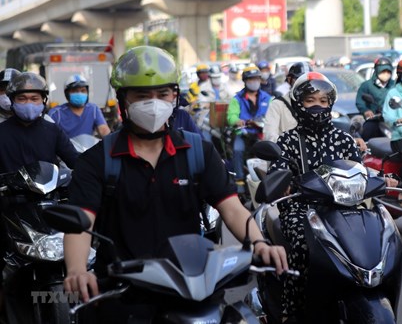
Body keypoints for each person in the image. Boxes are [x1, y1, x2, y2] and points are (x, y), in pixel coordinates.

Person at [63, 46, 287, 312]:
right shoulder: (97, 160)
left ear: (174, 97)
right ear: (123, 99)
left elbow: (232, 208)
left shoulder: (198, 152)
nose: (153, 103)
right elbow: (80, 223)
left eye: (162, 94)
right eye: (142, 95)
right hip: (122, 294)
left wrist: (261, 243)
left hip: (192, 288)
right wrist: (77, 269)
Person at [270, 71, 361, 322]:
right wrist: (283, 182)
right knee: (302, 246)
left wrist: (383, 178)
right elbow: (277, 170)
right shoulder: (288, 140)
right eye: (311, 101)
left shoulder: (344, 138)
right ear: (299, 104)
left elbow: (360, 168)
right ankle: (292, 310)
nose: (317, 106)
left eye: (323, 101)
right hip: (301, 210)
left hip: (342, 209)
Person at [0, 72, 79, 173]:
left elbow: (75, 161)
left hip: (50, 188)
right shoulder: (2, 132)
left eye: (34, 99)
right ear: (12, 101)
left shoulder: (53, 131)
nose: (29, 104)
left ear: (43, 101)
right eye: (22, 98)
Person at [227, 65, 272, 188]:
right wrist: (238, 121)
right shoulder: (236, 99)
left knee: (272, 151)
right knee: (238, 149)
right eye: (251, 79)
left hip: (261, 134)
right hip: (244, 133)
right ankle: (239, 179)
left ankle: (270, 177)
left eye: (257, 79)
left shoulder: (268, 98)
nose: (254, 82)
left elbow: (273, 115)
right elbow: (231, 117)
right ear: (245, 81)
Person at [47, 74, 111, 138]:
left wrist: (111, 142)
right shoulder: (56, 114)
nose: (79, 94)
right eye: (75, 91)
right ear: (67, 94)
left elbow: (104, 130)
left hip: (88, 147)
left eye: (83, 91)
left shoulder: (93, 109)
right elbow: (48, 137)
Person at [264, 62, 311, 142]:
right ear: (289, 80)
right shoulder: (277, 105)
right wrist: (290, 147)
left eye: (308, 80)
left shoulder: (318, 105)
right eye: (299, 79)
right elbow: (270, 135)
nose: (304, 83)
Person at [355, 56, 395, 140]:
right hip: (374, 120)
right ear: (377, 70)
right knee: (368, 131)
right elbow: (360, 101)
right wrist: (366, 111)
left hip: (392, 120)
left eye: (388, 71)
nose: (386, 74)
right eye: (383, 71)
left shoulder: (394, 85)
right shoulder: (366, 85)